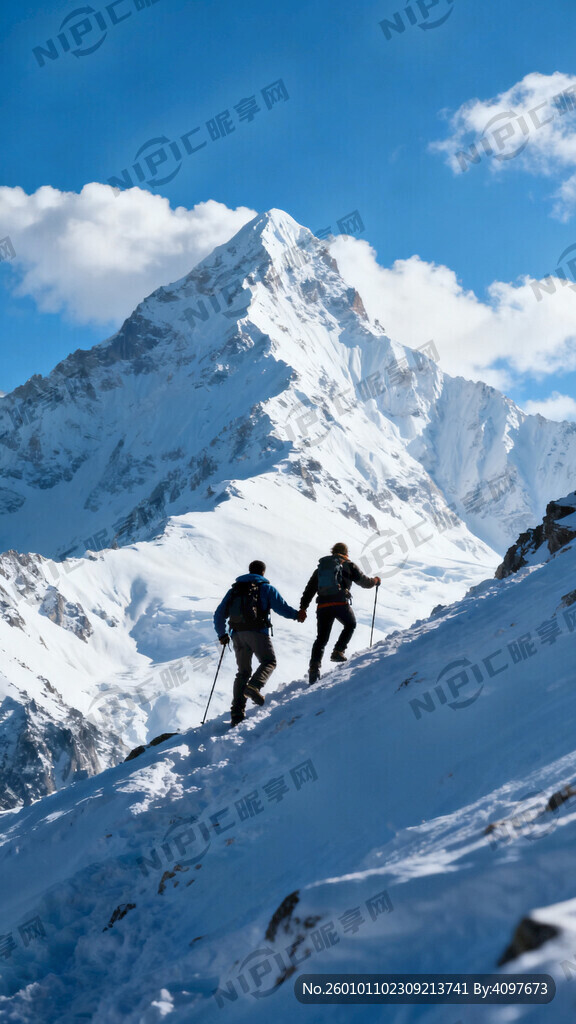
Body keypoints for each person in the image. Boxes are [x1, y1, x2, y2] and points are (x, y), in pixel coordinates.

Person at [214, 560, 306, 726]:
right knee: (269, 661)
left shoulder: (234, 590)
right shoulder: (265, 588)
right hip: (257, 632)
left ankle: (236, 713)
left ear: (249, 571)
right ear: (263, 572)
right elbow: (281, 608)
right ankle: (254, 687)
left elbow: (219, 614)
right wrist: (296, 615)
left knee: (243, 672)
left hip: (237, 634)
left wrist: (222, 634)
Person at [300, 542, 380, 684]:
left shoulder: (321, 568)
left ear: (333, 552)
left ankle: (314, 668)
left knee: (321, 639)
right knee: (350, 624)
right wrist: (375, 580)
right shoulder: (349, 565)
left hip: (323, 605)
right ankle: (338, 651)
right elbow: (365, 582)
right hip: (340, 603)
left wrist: (303, 608)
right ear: (346, 553)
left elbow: (309, 589)